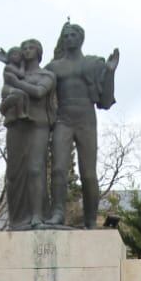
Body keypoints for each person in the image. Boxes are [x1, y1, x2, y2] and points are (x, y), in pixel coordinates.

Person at [46, 22, 119, 228]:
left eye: (72, 35)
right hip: (63, 119)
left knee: (88, 173)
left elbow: (105, 102)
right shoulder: (54, 67)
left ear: (81, 38)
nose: (69, 38)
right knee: (59, 169)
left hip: (86, 120)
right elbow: (38, 87)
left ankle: (90, 220)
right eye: (65, 35)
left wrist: (111, 72)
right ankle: (58, 213)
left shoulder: (94, 64)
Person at [0, 38, 57, 229]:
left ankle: (37, 215)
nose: (27, 51)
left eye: (31, 48)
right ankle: (18, 219)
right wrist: (12, 90)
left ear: (39, 52)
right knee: (14, 173)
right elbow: (3, 103)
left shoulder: (47, 75)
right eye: (24, 48)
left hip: (38, 125)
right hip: (16, 125)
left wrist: (16, 85)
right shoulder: (12, 74)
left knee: (35, 169)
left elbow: (39, 93)